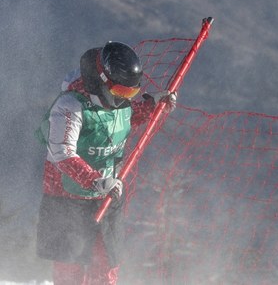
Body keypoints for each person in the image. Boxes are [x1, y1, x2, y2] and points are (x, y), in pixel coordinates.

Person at [36, 41, 176, 285]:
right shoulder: (70, 106)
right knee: (71, 266)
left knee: (107, 263)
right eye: (122, 92)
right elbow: (62, 153)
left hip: (108, 195)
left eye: (131, 93)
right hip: (67, 197)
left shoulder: (118, 102)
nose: (125, 99)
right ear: (102, 81)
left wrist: (153, 106)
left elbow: (122, 121)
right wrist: (96, 181)